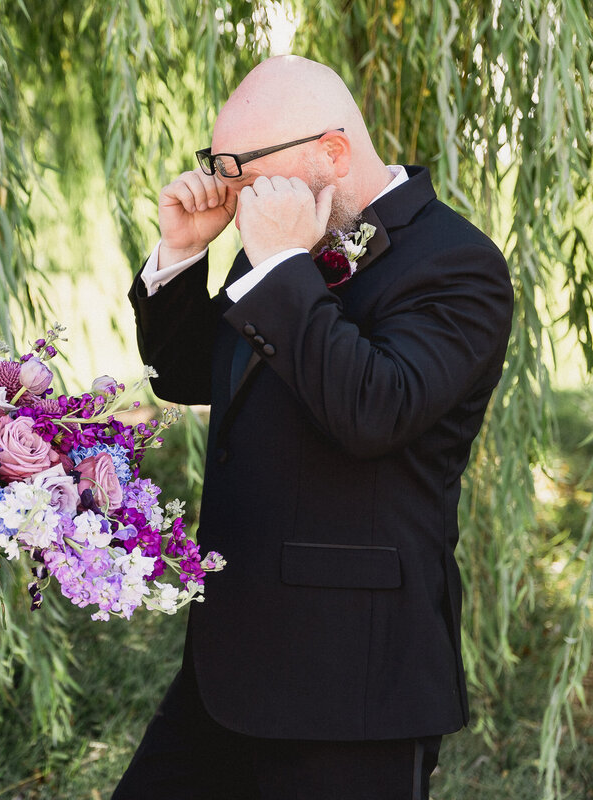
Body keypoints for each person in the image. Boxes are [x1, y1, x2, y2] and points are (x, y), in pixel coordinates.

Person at [114, 55, 514, 800]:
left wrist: (279, 267)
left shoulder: (458, 265)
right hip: (227, 667)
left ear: (331, 153)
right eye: (218, 164)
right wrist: (183, 251)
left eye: (242, 166)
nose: (228, 187)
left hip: (350, 685)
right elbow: (190, 374)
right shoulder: (285, 247)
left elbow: (374, 411)